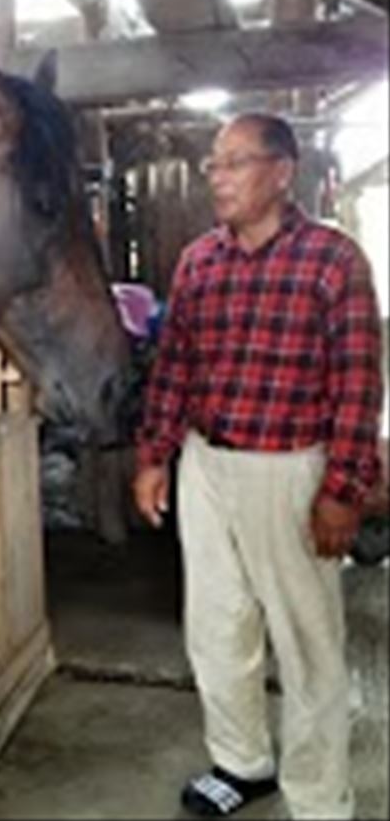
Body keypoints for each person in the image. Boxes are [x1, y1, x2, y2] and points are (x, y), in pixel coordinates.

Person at [133, 113, 384, 820]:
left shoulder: (331, 261)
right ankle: (241, 763)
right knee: (215, 626)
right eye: (213, 164)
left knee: (306, 642)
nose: (217, 176)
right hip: (206, 466)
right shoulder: (197, 261)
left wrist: (342, 490)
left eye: (234, 162)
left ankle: (317, 796)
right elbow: (174, 366)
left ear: (281, 171)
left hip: (289, 469)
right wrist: (155, 454)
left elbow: (358, 384)